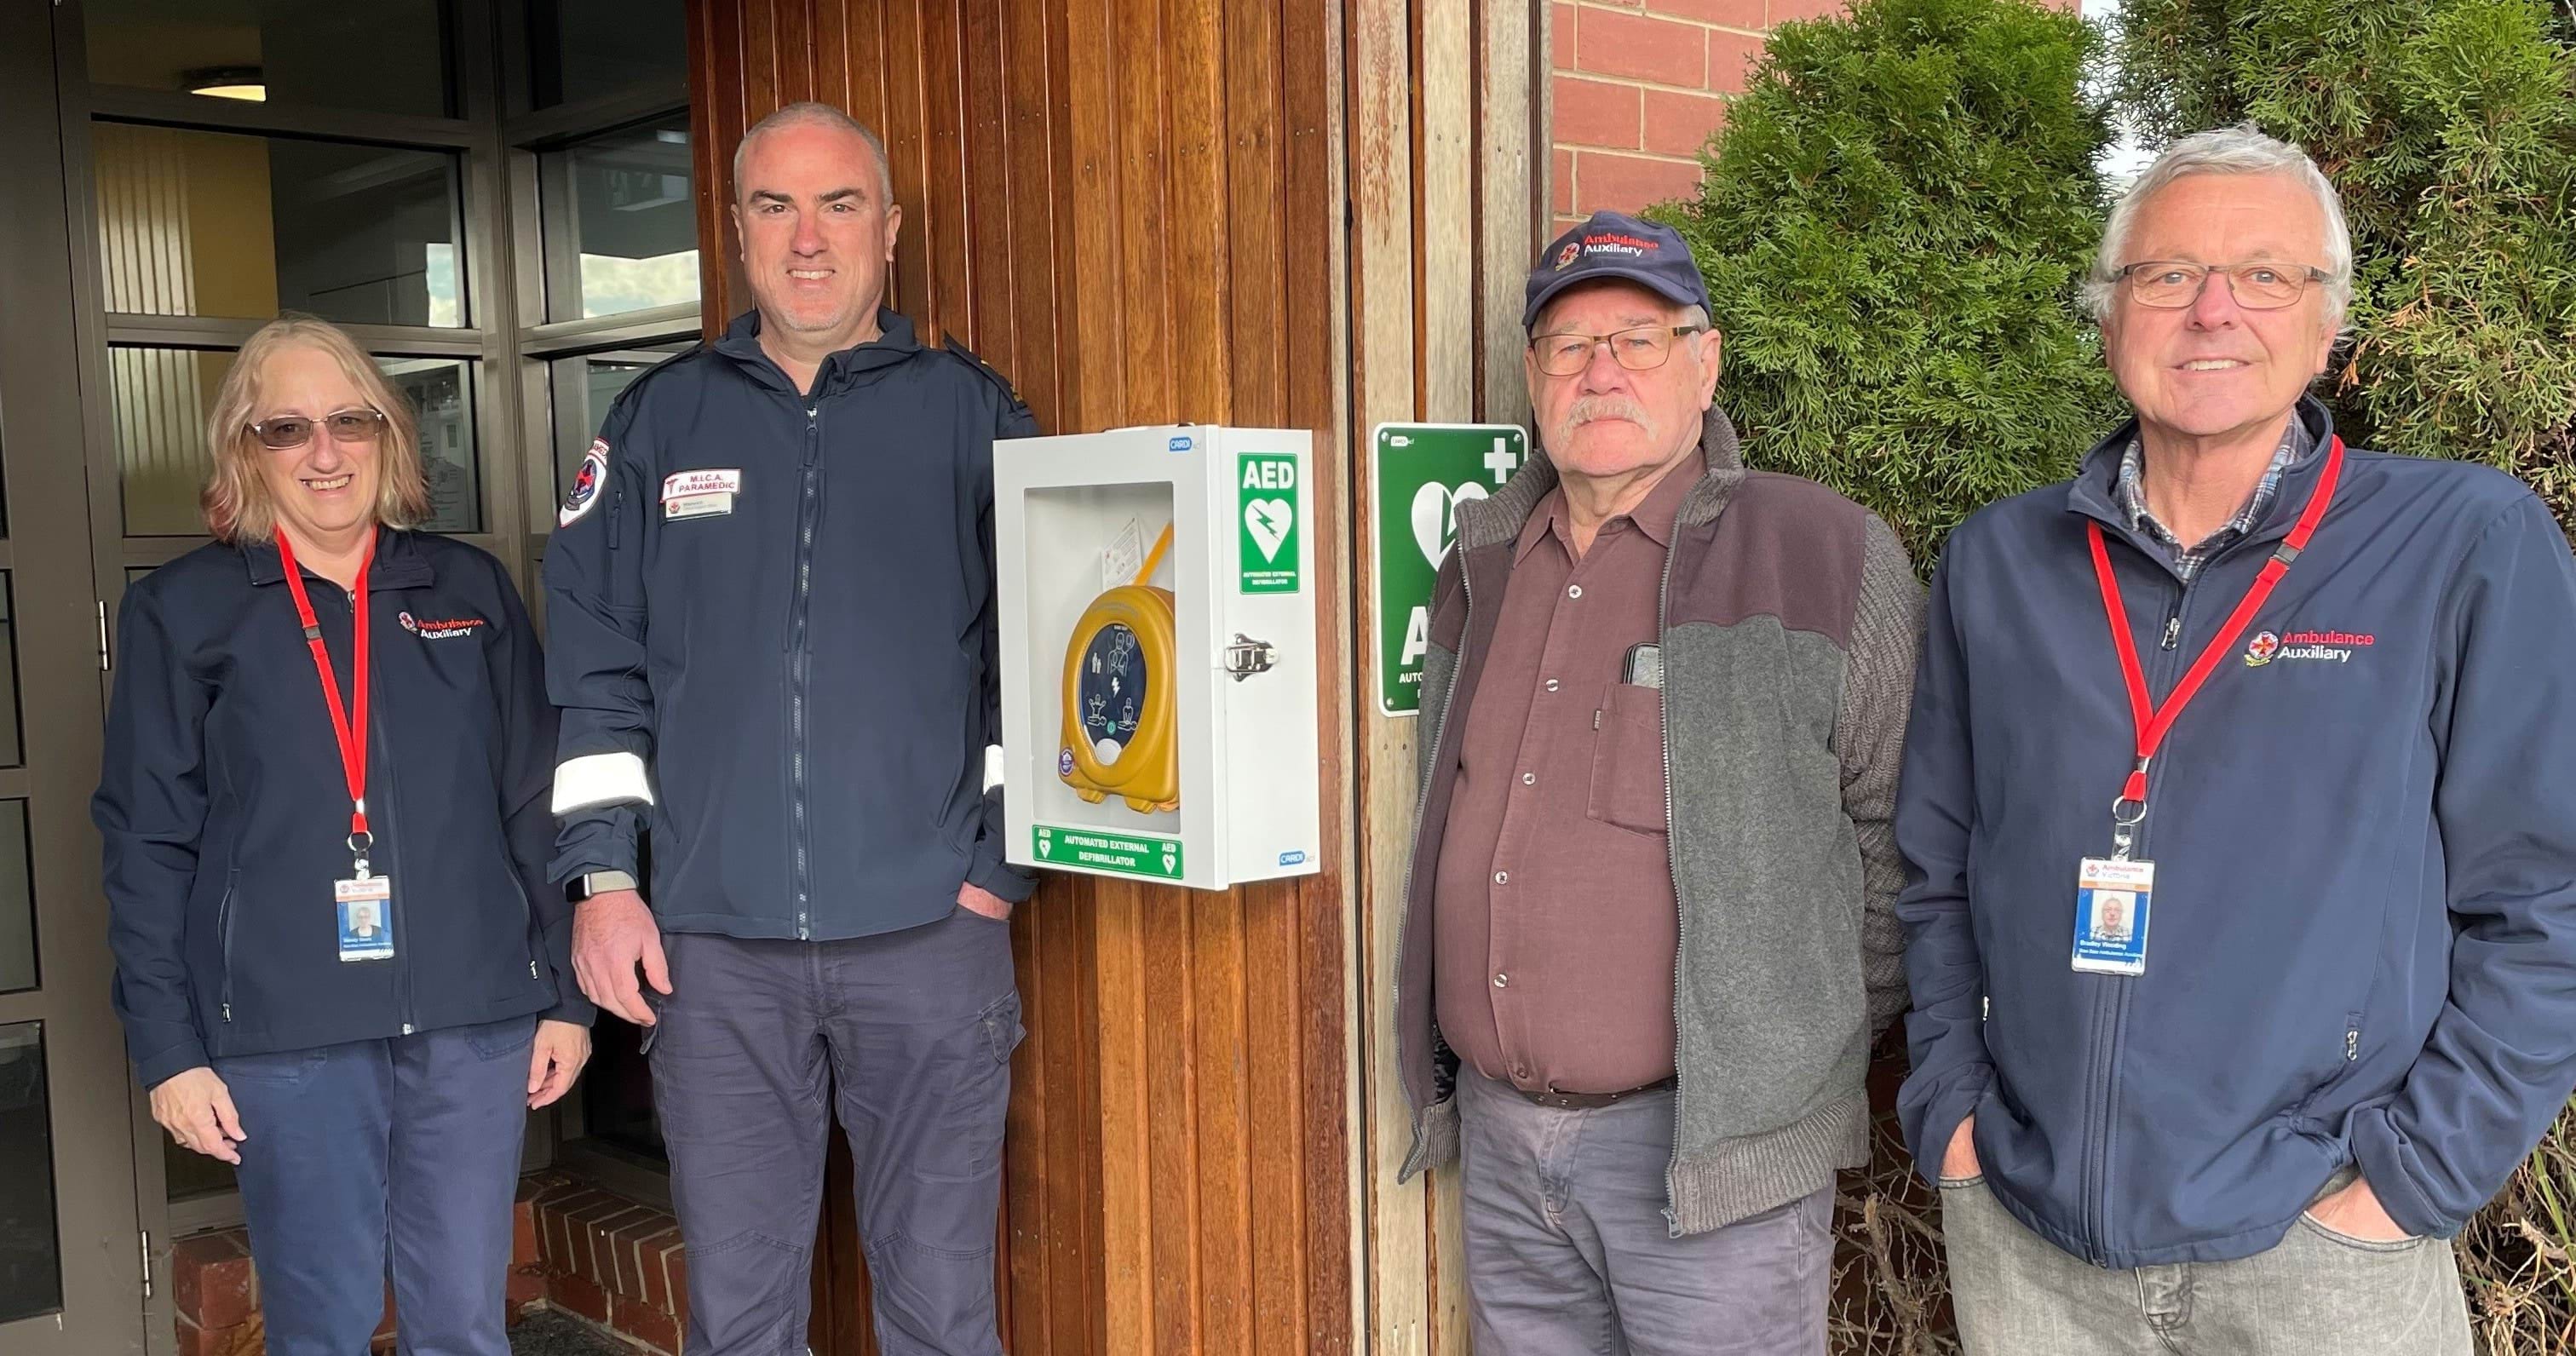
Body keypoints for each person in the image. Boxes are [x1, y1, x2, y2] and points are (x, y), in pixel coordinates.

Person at [1896, 126, 2576, 1355]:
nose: (2212, 310)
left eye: (2265, 275)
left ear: (2328, 329)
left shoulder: (2463, 544)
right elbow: (1935, 868)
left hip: (2321, 1254)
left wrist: (2412, 1183)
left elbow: (2548, 895)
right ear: (2109, 320)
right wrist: (1953, 1117)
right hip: (2030, 1250)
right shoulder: (1998, 561)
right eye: (2167, 276)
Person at [543, 101, 1036, 1356]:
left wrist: (995, 870)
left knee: (941, 1311)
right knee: (742, 1318)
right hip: (714, 955)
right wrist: (605, 881)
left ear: (890, 232)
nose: (807, 238)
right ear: (738, 232)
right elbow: (596, 670)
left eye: (839, 204)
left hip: (932, 941)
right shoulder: (657, 424)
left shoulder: (977, 417)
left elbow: (1046, 666)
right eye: (775, 206)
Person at [1390, 210, 1923, 1354]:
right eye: (1570, 347)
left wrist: (1796, 1037)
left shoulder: (1823, 554)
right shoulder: (1480, 562)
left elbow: (1904, 832)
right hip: (1501, 1142)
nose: (1601, 373)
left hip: (1713, 1162)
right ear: (1533, 376)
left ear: (1706, 359)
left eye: (1638, 339)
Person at [95, 315, 591, 1356]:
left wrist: (566, 998)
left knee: (462, 1321)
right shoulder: (185, 613)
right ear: (246, 448)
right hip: (289, 1032)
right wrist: (169, 1048)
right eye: (288, 428)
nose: (325, 452)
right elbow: (146, 842)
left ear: (388, 437)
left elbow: (534, 800)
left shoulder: (467, 590)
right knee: (320, 1322)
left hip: (474, 1017)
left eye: (350, 420)